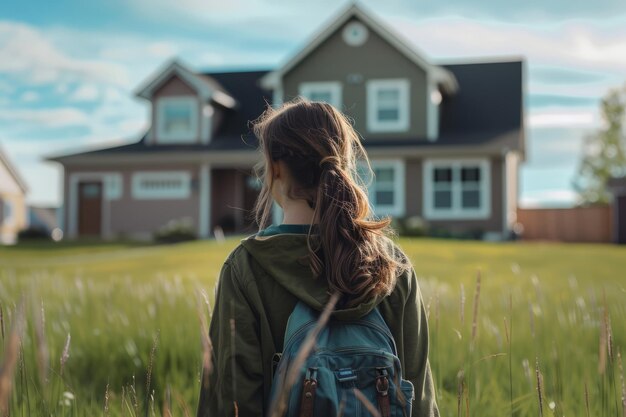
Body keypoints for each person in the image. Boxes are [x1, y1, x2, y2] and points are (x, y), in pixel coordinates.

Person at [197, 98, 439, 417]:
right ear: (344, 161)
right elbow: (419, 397)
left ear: (275, 168)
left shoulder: (246, 267)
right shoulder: (393, 266)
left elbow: (232, 401)